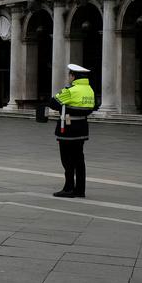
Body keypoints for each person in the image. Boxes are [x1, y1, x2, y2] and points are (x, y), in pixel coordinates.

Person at [50, 63, 96, 198]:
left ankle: (69, 188)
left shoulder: (71, 90)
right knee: (79, 159)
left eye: (69, 75)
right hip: (82, 127)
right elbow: (93, 106)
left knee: (67, 160)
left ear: (73, 76)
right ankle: (80, 189)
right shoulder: (90, 90)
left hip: (68, 129)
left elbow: (53, 102)